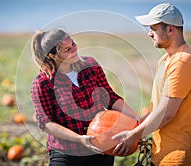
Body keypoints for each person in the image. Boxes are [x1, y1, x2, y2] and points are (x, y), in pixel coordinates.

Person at [112, 3, 191, 165]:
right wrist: (134, 128)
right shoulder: (165, 60)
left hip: (181, 155)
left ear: (170, 29)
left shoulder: (182, 62)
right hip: (164, 153)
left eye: (154, 28)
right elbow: (158, 109)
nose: (149, 34)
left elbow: (166, 113)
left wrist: (134, 136)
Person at [30, 29, 138, 166]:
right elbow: (46, 123)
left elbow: (110, 98)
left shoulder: (90, 66)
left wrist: (137, 121)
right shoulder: (42, 83)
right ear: (52, 55)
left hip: (101, 146)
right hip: (66, 151)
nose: (74, 50)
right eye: (67, 49)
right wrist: (80, 139)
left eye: (73, 44)